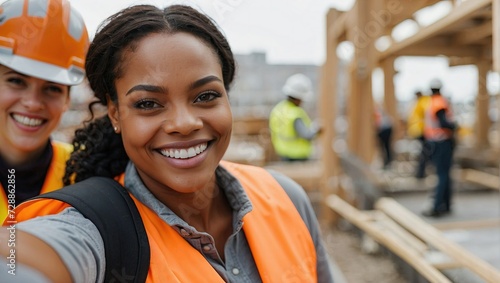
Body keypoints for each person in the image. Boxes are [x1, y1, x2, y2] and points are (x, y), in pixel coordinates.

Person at [0, 4, 336, 282]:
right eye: (148, 103)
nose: (184, 123)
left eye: (206, 96)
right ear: (115, 113)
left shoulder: (286, 198)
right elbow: (36, 256)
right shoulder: (100, 230)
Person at [0, 0, 89, 221]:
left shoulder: (88, 172)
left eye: (52, 88)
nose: (33, 103)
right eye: (16, 81)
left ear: (67, 99)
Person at [421, 78, 457, 217]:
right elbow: (444, 123)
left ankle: (444, 205)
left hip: (436, 142)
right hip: (442, 141)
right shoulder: (440, 102)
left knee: (444, 174)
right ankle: (439, 206)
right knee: (443, 174)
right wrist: (454, 125)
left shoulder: (431, 102)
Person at [269, 73, 321, 161]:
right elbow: (306, 135)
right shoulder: (295, 113)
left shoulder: (278, 109)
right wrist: (316, 129)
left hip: (282, 153)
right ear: (298, 98)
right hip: (298, 156)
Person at [407, 90, 431, 178]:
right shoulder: (422, 102)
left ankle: (421, 172)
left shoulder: (421, 102)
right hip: (422, 130)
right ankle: (421, 172)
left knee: (424, 152)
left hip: (421, 130)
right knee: (425, 152)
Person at [374, 103, 394, 168]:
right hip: (387, 129)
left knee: (384, 147)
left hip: (385, 130)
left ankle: (387, 162)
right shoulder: (381, 112)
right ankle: (388, 161)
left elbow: (378, 124)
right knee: (387, 146)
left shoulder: (377, 113)